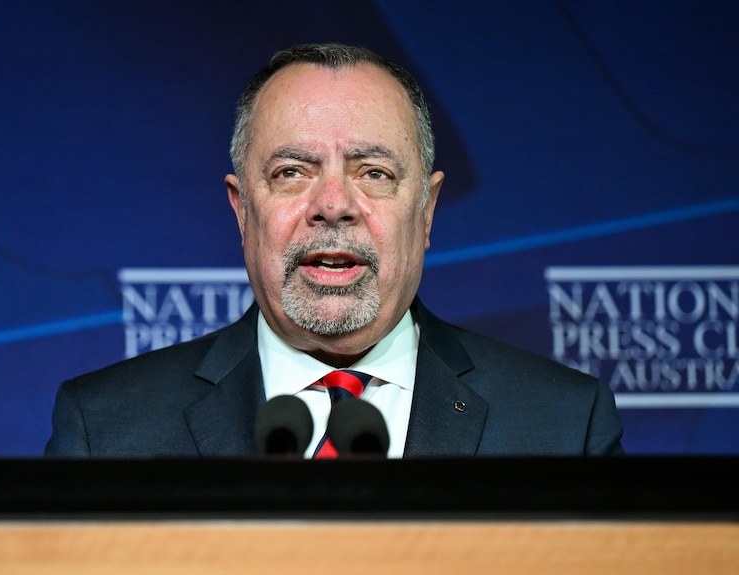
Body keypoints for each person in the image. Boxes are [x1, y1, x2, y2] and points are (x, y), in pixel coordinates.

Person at [45, 43, 623, 457]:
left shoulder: (565, 427)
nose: (333, 204)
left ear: (425, 210)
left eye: (373, 172)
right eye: (293, 171)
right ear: (242, 209)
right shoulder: (107, 429)